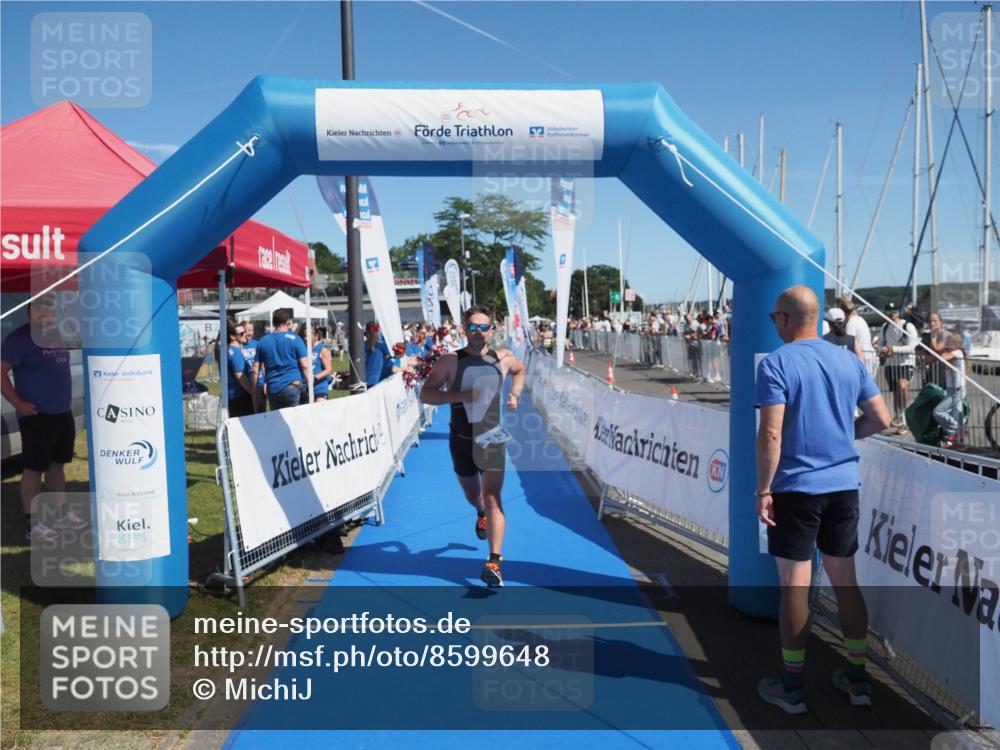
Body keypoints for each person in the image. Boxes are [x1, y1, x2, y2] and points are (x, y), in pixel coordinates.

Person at [755, 286, 890, 715]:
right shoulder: (848, 359)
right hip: (843, 486)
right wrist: (839, 439)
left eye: (775, 317)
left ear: (785, 319)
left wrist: (763, 489)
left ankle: (792, 689)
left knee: (795, 586)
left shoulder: (777, 363)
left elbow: (772, 434)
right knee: (844, 582)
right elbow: (881, 419)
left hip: (797, 488)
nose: (774, 324)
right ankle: (857, 681)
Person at [419, 305, 525, 588]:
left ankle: (494, 561)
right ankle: (479, 513)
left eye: (484, 327)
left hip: (491, 437)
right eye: (473, 327)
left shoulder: (503, 358)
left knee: (493, 496)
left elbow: (520, 370)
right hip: (461, 440)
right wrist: (461, 395)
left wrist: (515, 395)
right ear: (464, 330)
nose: (478, 333)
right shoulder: (450, 362)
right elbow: (426, 394)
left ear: (493, 329)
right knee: (473, 495)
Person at [1, 295, 87, 541]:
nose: (44, 311)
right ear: (28, 311)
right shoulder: (19, 339)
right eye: (37, 306)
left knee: (57, 465)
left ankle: (60, 515)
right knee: (33, 468)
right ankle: (33, 525)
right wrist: (18, 404)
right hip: (36, 415)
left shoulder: (58, 335)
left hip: (61, 412)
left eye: (48, 306)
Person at [252, 308, 310, 410]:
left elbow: (255, 369)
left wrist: (255, 390)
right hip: (292, 386)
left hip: (273, 389)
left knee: (278, 422)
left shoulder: (262, 341)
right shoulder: (295, 339)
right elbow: (305, 366)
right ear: (288, 322)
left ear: (274, 322)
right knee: (295, 421)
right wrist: (310, 385)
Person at [878, 302, 919, 433]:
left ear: (898, 312)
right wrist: (883, 350)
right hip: (891, 364)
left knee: (902, 386)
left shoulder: (908, 326)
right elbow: (880, 344)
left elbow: (913, 346)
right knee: (896, 393)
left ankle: (904, 416)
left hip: (906, 363)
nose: (891, 314)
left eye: (894, 311)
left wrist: (893, 349)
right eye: (889, 311)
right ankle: (899, 416)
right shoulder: (884, 327)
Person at [932, 333, 966, 448]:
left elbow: (943, 357)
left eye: (949, 342)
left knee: (939, 411)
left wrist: (938, 347)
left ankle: (955, 430)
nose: (947, 344)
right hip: (952, 389)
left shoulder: (958, 352)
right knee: (956, 414)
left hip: (958, 390)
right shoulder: (951, 354)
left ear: (956, 344)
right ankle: (957, 439)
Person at [836, 296, 875, 376]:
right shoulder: (860, 319)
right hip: (869, 357)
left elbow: (849, 343)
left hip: (861, 359)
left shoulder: (851, 324)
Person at [225, 320, 256, 417]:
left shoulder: (229, 349)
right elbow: (240, 376)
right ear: (233, 336)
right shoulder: (235, 353)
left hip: (233, 395)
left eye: (245, 332)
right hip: (240, 395)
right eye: (242, 333)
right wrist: (252, 391)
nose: (245, 335)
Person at [307, 326, 333, 401]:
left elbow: (328, 369)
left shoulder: (322, 349)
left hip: (320, 387)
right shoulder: (304, 349)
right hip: (306, 388)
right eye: (304, 336)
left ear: (316, 336)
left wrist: (315, 378)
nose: (305, 338)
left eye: (307, 336)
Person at [364, 322, 389, 388]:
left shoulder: (363, 345)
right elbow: (387, 357)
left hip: (366, 377)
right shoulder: (381, 345)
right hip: (376, 378)